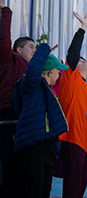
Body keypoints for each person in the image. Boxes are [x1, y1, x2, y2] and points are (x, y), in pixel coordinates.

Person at [57, 12, 87, 198]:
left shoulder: (86, 88)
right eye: (80, 60)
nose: (83, 60)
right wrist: (83, 28)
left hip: (86, 144)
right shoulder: (69, 77)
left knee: (81, 185)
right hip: (72, 140)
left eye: (84, 60)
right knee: (73, 185)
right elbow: (73, 53)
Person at [13, 43, 68, 198]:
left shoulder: (48, 91)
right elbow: (33, 71)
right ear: (49, 73)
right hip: (34, 148)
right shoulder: (32, 86)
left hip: (48, 148)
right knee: (34, 191)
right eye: (57, 71)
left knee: (44, 191)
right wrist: (44, 48)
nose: (59, 75)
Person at [0, 0, 34, 196]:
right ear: (19, 49)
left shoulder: (32, 69)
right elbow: (4, 39)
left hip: (23, 124)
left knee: (21, 170)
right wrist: (6, 12)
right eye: (31, 47)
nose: (34, 50)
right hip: (5, 120)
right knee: (7, 167)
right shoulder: (8, 59)